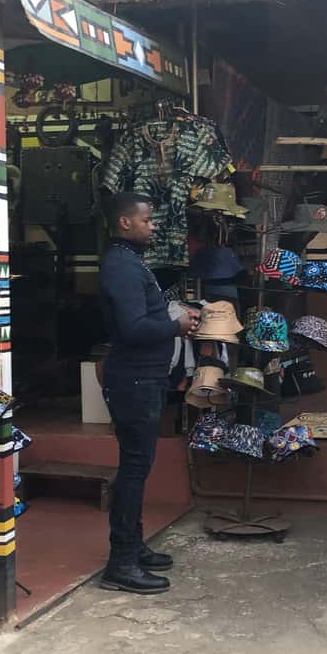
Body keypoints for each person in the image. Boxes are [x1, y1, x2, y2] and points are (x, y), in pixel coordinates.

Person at [99, 192, 200, 595]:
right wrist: (176, 327)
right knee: (134, 469)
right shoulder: (121, 266)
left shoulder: (129, 261)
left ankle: (133, 546)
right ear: (125, 222)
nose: (153, 226)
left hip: (143, 379)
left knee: (137, 467)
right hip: (134, 381)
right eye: (147, 220)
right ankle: (121, 562)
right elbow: (133, 328)